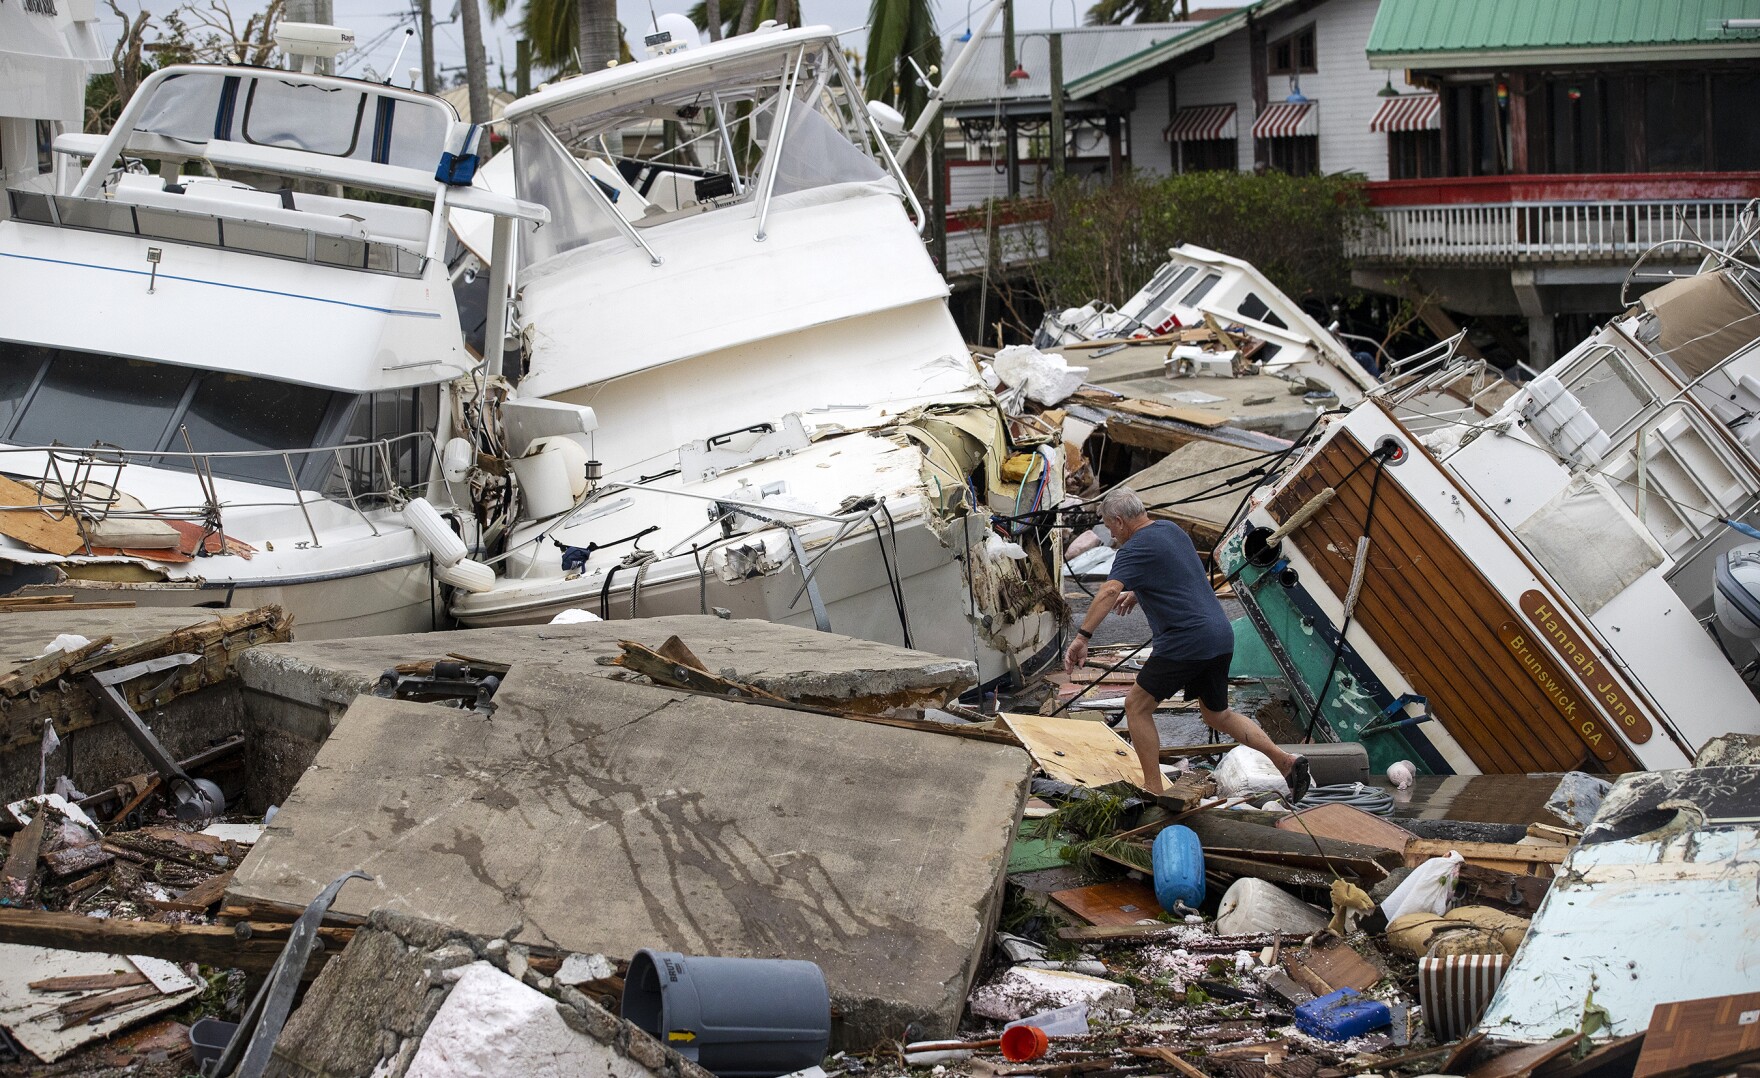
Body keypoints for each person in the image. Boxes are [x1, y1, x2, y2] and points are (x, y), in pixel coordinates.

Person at [1064, 488, 1310, 801]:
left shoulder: (1133, 549)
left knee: (1136, 706)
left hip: (1185, 640)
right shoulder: (1171, 529)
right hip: (1219, 635)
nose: (1110, 534)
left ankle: (1153, 788)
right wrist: (1139, 591)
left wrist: (1082, 637)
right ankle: (1285, 761)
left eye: (1109, 526)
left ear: (1120, 521)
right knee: (1218, 715)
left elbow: (1108, 592)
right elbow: (1179, 570)